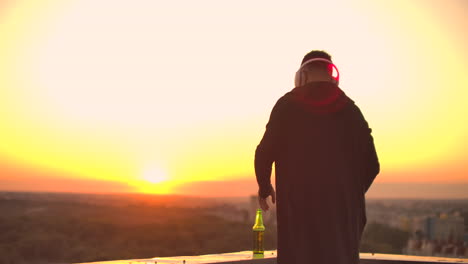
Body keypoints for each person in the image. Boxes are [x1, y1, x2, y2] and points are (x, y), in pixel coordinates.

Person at [254, 50, 379, 264]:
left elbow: (264, 153)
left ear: (302, 76)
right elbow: (372, 165)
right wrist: (350, 194)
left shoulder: (286, 106)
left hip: (298, 212)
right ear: (333, 76)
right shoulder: (351, 110)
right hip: (341, 217)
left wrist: (265, 187)